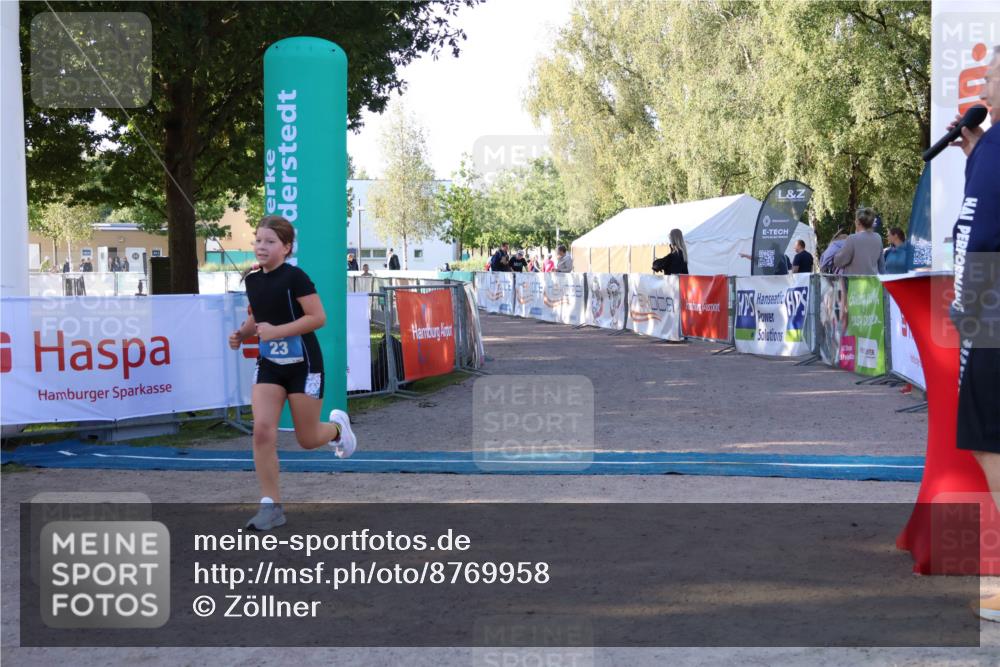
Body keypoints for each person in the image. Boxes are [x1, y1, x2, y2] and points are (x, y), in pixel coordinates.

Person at [229, 215, 358, 531]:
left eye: (270, 241)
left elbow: (318, 317)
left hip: (305, 365)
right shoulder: (252, 280)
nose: (262, 246)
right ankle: (271, 506)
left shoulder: (296, 277)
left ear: (286, 247)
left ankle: (338, 430)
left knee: (308, 438)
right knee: (262, 431)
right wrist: (243, 333)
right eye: (258, 240)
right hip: (270, 365)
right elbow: (259, 317)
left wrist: (278, 331)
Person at [946, 45, 1000, 621]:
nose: (981, 90)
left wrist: (967, 305)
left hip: (994, 299)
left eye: (989, 78)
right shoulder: (989, 149)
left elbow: (978, 234)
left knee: (990, 438)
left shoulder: (997, 148)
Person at [834, 208, 885, 275]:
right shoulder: (878, 238)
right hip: (873, 283)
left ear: (858, 222)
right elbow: (881, 266)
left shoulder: (852, 239)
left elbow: (838, 262)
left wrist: (838, 250)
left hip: (854, 283)